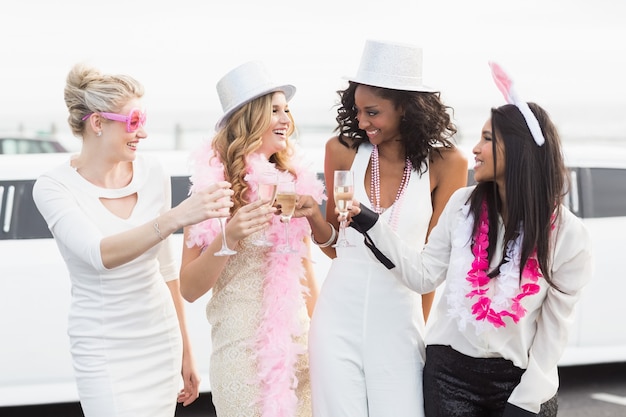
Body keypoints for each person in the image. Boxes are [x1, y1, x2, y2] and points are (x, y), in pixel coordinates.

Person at [345, 62, 593, 417]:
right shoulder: (463, 205)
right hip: (449, 378)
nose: (475, 149)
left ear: (520, 149)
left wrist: (526, 400)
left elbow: (553, 333)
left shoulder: (569, 236)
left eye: (488, 139)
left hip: (520, 382)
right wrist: (370, 222)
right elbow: (423, 274)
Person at [32, 63, 233, 417]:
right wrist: (176, 217)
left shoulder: (153, 172)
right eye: (134, 122)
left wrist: (187, 350)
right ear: (97, 123)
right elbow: (99, 253)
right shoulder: (53, 187)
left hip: (160, 339)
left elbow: (167, 269)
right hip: (103, 347)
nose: (143, 134)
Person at [306, 39, 468, 417]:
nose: (362, 122)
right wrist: (315, 218)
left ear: (406, 109)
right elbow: (336, 243)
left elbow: (432, 266)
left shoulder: (447, 164)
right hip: (336, 319)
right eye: (358, 111)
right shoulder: (343, 152)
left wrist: (418, 331)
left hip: (399, 324)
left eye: (373, 112)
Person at [179, 60, 324, 417]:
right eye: (273, 110)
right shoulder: (214, 188)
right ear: (249, 119)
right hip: (240, 355)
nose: (285, 118)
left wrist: (324, 343)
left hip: (297, 353)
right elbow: (189, 288)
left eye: (286, 109)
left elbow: (305, 271)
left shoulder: (292, 182)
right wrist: (228, 237)